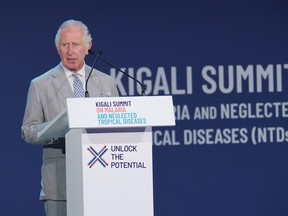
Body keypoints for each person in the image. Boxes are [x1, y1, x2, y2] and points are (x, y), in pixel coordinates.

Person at [21, 19, 119, 216]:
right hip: (59, 183)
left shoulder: (106, 82)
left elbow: (116, 126)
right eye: (65, 45)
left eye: (76, 44)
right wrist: (56, 129)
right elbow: (28, 130)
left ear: (88, 47)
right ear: (58, 48)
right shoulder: (40, 84)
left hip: (101, 180)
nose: (70, 51)